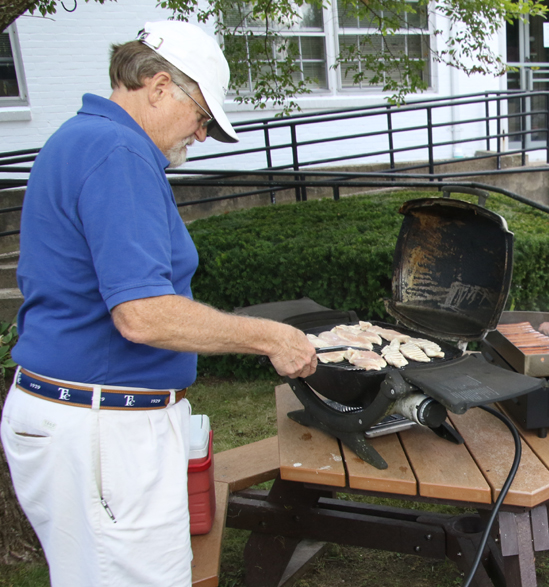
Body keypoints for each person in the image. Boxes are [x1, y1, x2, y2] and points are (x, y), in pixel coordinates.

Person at [0, 21, 318, 587]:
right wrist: (273, 337)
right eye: (202, 117)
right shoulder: (116, 150)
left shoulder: (83, 139)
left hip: (81, 418)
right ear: (159, 84)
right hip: (101, 426)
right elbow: (142, 314)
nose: (200, 135)